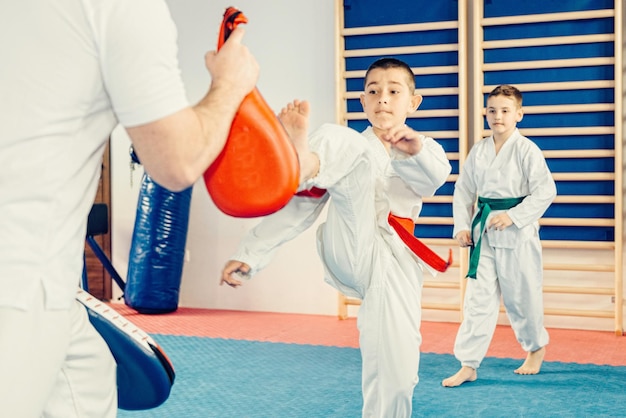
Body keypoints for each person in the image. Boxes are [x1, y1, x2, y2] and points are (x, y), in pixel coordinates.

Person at [0, 1, 259, 416]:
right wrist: (231, 83)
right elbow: (178, 163)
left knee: (89, 372)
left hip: (53, 287)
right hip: (19, 281)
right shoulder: (121, 7)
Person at [220, 58, 452, 417]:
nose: (383, 100)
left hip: (395, 261)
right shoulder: (350, 145)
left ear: (413, 102)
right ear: (363, 102)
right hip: (351, 244)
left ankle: (304, 165)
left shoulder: (428, 148)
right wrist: (251, 252)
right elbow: (300, 210)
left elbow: (433, 180)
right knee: (343, 141)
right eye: (373, 92)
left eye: (393, 92)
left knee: (399, 369)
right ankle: (303, 162)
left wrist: (413, 150)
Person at [442, 85, 556, 388]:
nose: (498, 116)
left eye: (505, 110)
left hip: (517, 233)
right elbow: (463, 190)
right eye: (492, 110)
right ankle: (468, 363)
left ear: (519, 114)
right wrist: (461, 225)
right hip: (484, 231)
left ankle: (535, 347)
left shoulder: (527, 150)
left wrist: (514, 216)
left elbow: (546, 191)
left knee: (522, 296)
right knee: (477, 301)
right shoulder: (479, 150)